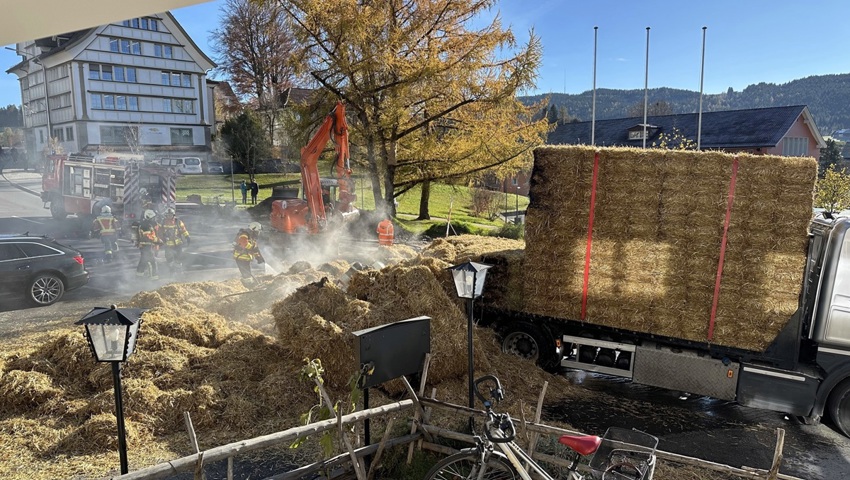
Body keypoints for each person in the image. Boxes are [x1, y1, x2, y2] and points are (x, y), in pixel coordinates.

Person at [156, 207, 190, 275]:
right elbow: (159, 232)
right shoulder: (162, 222)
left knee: (179, 258)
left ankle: (179, 272)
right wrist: (161, 239)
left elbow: (183, 230)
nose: (169, 216)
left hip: (178, 243)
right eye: (168, 215)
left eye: (171, 215)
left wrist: (187, 236)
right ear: (165, 215)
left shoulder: (178, 222)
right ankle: (172, 271)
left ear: (173, 215)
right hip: (168, 244)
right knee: (169, 258)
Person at [233, 222, 264, 286]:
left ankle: (248, 284)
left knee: (248, 273)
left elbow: (255, 249)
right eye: (257, 231)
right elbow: (244, 242)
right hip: (240, 257)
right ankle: (249, 286)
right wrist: (252, 248)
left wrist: (258, 257)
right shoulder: (244, 234)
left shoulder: (252, 238)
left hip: (246, 259)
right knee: (246, 275)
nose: (258, 233)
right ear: (253, 229)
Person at [136, 209, 161, 279]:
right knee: (153, 262)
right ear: (149, 217)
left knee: (143, 260)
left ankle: (139, 275)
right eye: (153, 218)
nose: (154, 219)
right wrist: (157, 240)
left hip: (144, 246)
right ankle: (154, 277)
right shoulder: (146, 226)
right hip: (147, 246)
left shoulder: (145, 224)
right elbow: (148, 237)